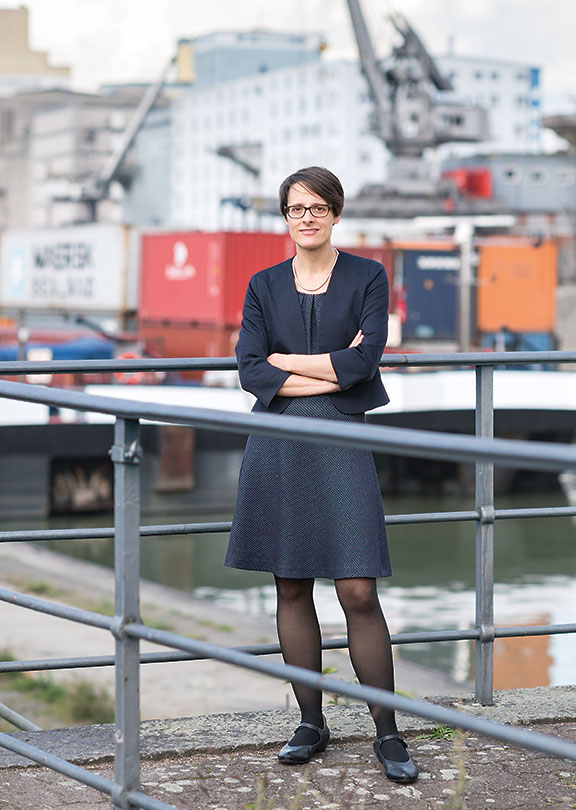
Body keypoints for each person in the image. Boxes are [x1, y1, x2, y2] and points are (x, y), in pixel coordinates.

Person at [224, 166, 418, 784]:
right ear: (285, 217)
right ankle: (311, 723)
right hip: (278, 441)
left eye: (316, 207)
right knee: (290, 584)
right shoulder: (262, 284)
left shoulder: (368, 276)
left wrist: (291, 364)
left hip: (341, 438)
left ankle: (387, 731)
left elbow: (365, 364)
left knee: (358, 589)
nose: (305, 218)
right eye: (295, 208)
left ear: (335, 213)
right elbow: (251, 370)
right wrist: (328, 371)